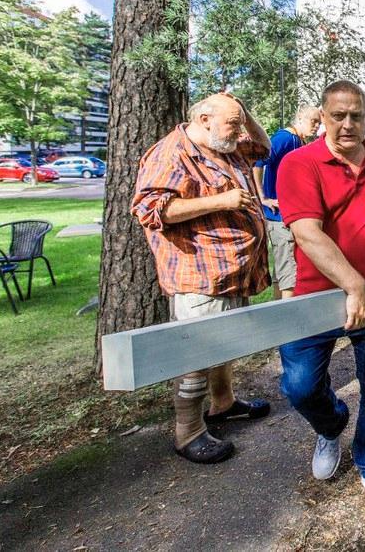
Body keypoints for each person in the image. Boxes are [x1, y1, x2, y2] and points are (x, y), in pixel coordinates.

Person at [274, 80, 365, 519]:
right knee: (298, 387)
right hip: (315, 297)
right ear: (323, 116)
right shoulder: (299, 163)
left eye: (357, 115)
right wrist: (353, 286)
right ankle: (331, 424)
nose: (348, 124)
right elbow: (306, 232)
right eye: (339, 115)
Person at [132, 91, 274, 464]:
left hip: (234, 272)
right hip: (199, 275)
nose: (238, 130)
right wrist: (220, 201)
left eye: (239, 122)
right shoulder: (172, 153)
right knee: (195, 352)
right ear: (204, 118)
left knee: (221, 345)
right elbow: (150, 209)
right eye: (232, 122)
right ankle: (188, 431)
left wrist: (244, 110)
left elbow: (262, 147)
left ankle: (223, 404)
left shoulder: (225, 145)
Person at [252, 105, 322, 299]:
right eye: (313, 121)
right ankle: (292, 324)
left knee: (283, 273)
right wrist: (262, 197)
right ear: (300, 118)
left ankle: (277, 317)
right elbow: (258, 163)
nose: (316, 126)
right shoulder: (284, 138)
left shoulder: (299, 141)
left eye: (319, 123)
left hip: (290, 215)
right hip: (279, 217)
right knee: (291, 275)